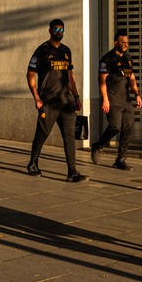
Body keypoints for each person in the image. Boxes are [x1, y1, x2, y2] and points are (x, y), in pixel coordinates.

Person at [26, 19, 87, 183]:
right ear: (50, 30)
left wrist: (77, 97)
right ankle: (32, 163)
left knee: (69, 137)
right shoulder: (42, 51)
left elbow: (70, 76)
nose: (59, 32)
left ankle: (72, 172)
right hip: (48, 102)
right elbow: (30, 74)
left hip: (66, 102)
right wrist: (37, 98)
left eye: (61, 30)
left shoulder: (67, 51)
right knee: (42, 133)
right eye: (56, 29)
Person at [91, 31, 142, 170]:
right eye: (123, 43)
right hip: (112, 98)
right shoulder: (107, 59)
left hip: (126, 99)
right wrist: (105, 99)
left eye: (127, 43)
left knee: (128, 127)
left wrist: (137, 94)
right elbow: (101, 80)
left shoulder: (128, 58)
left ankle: (120, 159)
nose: (126, 45)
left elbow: (131, 77)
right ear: (115, 43)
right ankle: (98, 146)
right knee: (115, 126)